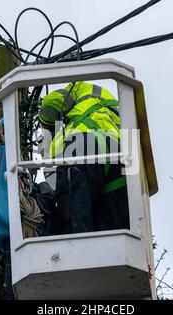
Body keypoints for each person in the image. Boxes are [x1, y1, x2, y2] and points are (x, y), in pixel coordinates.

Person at [39, 81, 129, 234]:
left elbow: (50, 103)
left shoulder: (78, 87)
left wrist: (47, 129)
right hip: (119, 156)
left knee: (75, 224)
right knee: (114, 230)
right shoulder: (119, 108)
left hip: (84, 146)